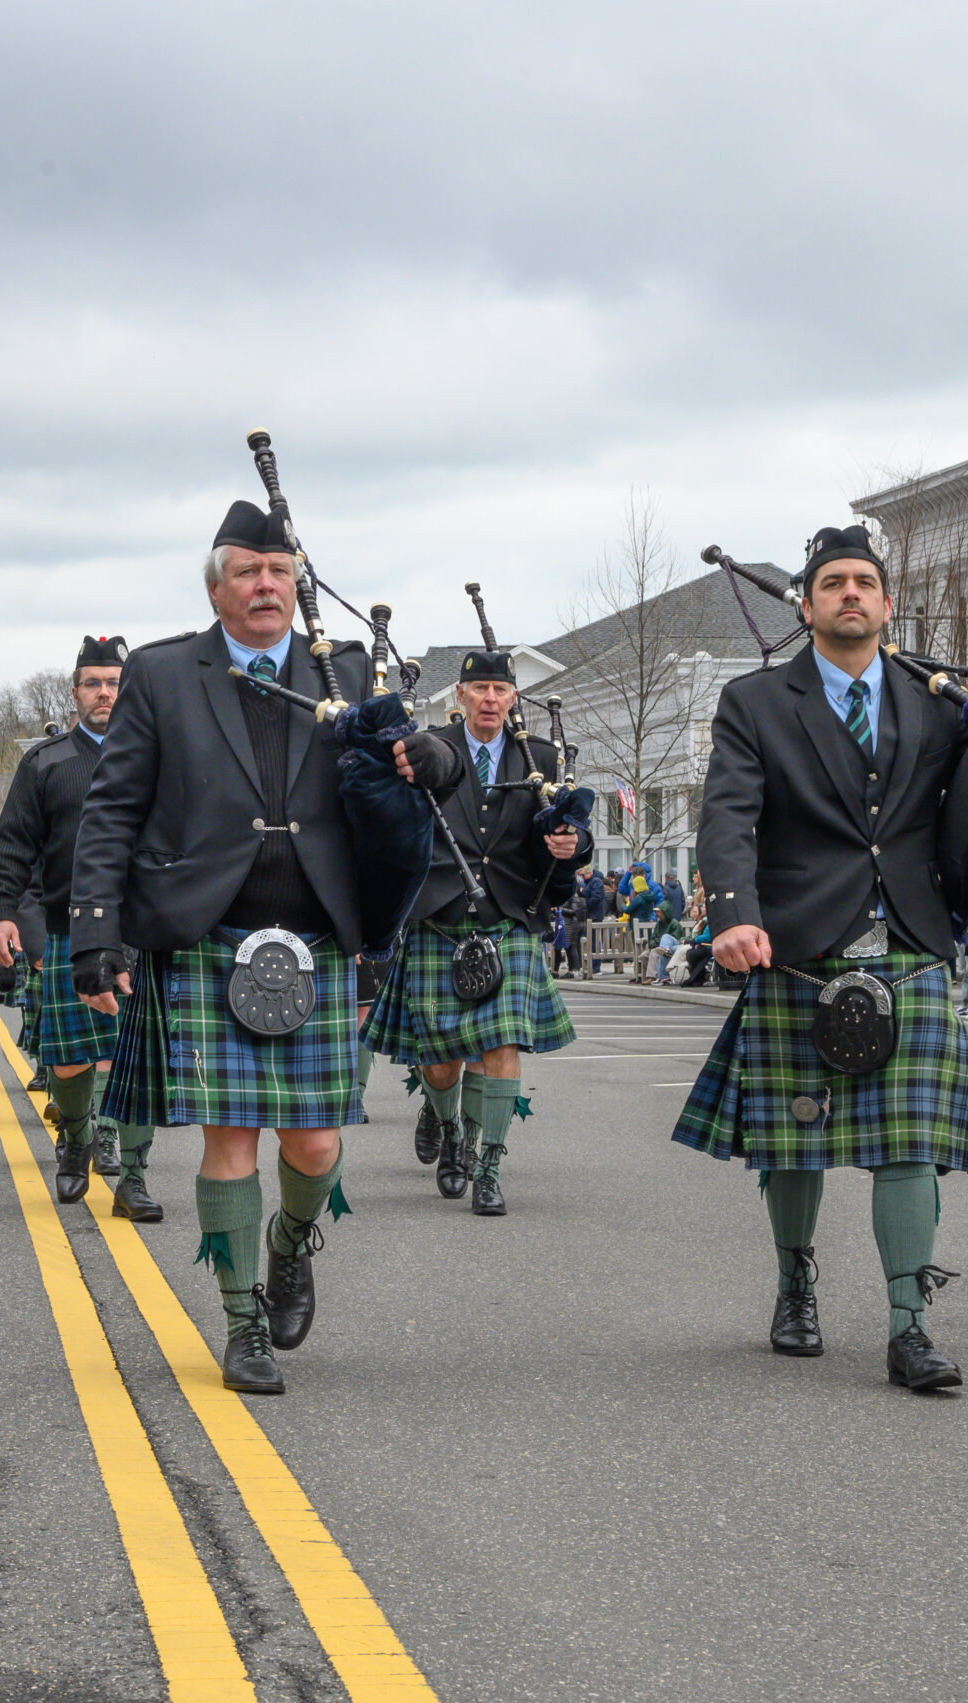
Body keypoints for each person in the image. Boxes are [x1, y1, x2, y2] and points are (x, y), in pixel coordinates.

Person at [69, 496, 463, 1394]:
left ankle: (290, 1244)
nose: (265, 585)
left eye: (279, 571)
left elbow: (419, 756)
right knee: (232, 1139)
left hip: (320, 934)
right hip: (211, 935)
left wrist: (434, 759)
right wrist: (98, 934)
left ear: (297, 585)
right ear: (216, 589)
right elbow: (112, 811)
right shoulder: (165, 676)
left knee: (317, 1144)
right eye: (247, 571)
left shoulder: (345, 668)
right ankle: (241, 1318)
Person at [675, 524, 968, 1393]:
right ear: (806, 605)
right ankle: (794, 1279)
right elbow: (728, 815)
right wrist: (733, 914)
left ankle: (908, 1325)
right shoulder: (756, 702)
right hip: (800, 943)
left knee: (910, 1144)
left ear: (887, 605)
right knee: (793, 1140)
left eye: (865, 582)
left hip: (913, 945)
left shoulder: (937, 703)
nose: (851, 593)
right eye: (834, 581)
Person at [364, 644, 585, 1212]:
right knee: (440, 1061)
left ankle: (489, 1166)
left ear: (514, 697)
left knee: (502, 1043)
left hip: (508, 917)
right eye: (479, 689)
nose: (490, 698)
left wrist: (572, 845)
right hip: (440, 916)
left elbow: (563, 835)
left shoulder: (540, 758)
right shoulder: (428, 750)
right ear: (460, 696)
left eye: (501, 689)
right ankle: (452, 1135)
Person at [0, 637, 160, 1211]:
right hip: (67, 927)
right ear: (76, 691)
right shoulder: (46, 762)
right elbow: (13, 846)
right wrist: (3, 914)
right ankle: (79, 1135)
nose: (105, 693)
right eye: (94, 682)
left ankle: (132, 1176)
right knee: (67, 1059)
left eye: (114, 682)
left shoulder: (161, 755)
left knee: (138, 1052)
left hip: (147, 928)